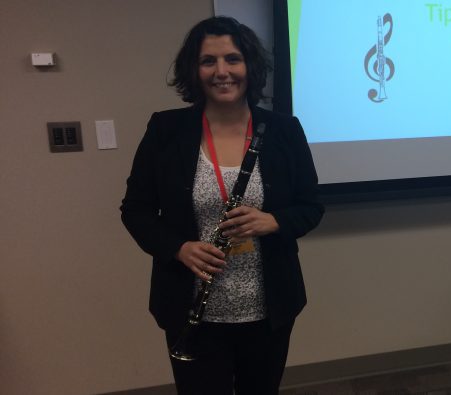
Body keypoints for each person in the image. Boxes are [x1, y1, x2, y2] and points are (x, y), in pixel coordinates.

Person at [120, 16, 323, 394]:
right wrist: (178, 248)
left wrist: (273, 221)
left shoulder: (284, 130)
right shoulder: (166, 130)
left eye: (233, 59)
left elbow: (311, 206)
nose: (222, 71)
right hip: (192, 310)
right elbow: (135, 210)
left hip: (268, 311)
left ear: (250, 66)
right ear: (194, 71)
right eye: (208, 61)